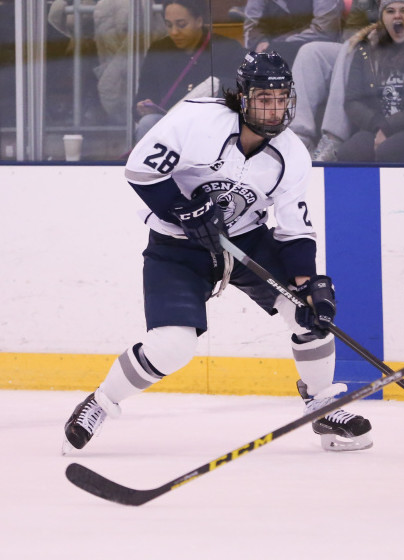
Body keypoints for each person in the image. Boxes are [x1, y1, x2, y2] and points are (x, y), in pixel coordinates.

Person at [63, 51, 373, 454]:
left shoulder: (292, 154)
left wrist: (308, 285)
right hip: (178, 247)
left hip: (246, 240)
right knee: (172, 346)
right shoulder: (198, 121)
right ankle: (101, 403)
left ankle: (323, 406)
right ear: (242, 97)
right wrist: (181, 209)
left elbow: (295, 231)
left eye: (281, 99)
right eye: (264, 97)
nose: (274, 108)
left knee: (306, 313)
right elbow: (140, 168)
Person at [336, 0, 404, 162]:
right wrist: (378, 124)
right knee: (350, 152)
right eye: (390, 11)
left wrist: (390, 126)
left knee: (389, 151)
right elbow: (353, 101)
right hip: (377, 125)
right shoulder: (367, 47)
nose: (397, 16)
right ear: (382, 17)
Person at [134, 0, 245, 143]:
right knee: (148, 122)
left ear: (199, 21)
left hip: (212, 124)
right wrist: (142, 109)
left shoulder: (226, 48)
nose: (174, 32)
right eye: (169, 25)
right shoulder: (159, 50)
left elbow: (243, 90)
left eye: (181, 25)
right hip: (170, 127)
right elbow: (143, 94)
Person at [289, 0, 379, 158]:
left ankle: (333, 140)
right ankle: (298, 140)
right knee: (311, 52)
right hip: (365, 51)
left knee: (353, 48)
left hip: (400, 50)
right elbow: (351, 33)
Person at [242, 0, 343, 67]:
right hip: (270, 48)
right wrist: (260, 42)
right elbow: (251, 25)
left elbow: (324, 31)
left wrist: (278, 44)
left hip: (312, 49)